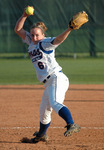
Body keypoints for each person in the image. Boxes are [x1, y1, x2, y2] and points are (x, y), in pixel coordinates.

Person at [14, 7, 80, 143]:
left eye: (37, 35)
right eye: (32, 35)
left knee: (55, 103)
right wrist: (24, 15)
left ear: (43, 35)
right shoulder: (31, 42)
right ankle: (42, 135)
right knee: (44, 112)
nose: (34, 37)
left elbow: (59, 40)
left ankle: (71, 124)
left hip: (57, 78)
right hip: (49, 82)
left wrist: (69, 29)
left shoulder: (45, 43)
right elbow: (18, 30)